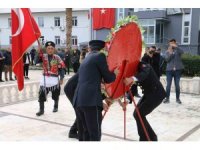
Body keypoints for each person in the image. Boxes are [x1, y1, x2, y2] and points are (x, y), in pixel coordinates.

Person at [73, 40, 117, 141]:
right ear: (102, 49)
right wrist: (115, 73)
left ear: (90, 48)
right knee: (94, 134)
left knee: (86, 133)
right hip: (90, 102)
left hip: (79, 100)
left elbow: (90, 80)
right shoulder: (100, 56)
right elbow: (108, 78)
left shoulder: (86, 59)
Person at [124, 61, 166, 141]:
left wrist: (132, 78)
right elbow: (133, 87)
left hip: (157, 94)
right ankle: (151, 137)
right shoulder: (133, 70)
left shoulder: (143, 65)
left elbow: (144, 73)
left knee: (139, 114)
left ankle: (145, 138)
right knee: (137, 114)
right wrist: (128, 99)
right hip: (149, 94)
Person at [36, 41, 65, 116]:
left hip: (54, 80)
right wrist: (38, 52)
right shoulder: (42, 56)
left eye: (52, 48)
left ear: (54, 49)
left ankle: (55, 106)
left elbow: (62, 68)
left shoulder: (57, 57)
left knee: (56, 95)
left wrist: (61, 78)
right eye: (48, 48)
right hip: (45, 79)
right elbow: (36, 61)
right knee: (41, 94)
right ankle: (41, 110)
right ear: (46, 49)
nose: (50, 50)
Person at [163, 39, 184, 104]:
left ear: (175, 43)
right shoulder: (167, 52)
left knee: (177, 85)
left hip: (178, 70)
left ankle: (178, 99)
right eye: (170, 43)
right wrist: (171, 53)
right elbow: (167, 60)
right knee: (168, 85)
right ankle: (167, 98)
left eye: (172, 43)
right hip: (169, 70)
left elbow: (182, 52)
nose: (171, 44)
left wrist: (177, 47)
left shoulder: (178, 50)